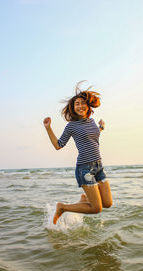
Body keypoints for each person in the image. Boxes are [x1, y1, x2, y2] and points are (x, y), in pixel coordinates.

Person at [43, 82, 113, 225]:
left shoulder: (92, 122)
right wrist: (48, 128)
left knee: (108, 203)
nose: (80, 106)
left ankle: (84, 199)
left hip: (98, 166)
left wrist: (101, 127)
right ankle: (62, 207)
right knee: (96, 208)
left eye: (82, 103)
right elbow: (58, 145)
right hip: (84, 169)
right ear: (73, 108)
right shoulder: (71, 126)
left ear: (87, 106)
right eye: (77, 104)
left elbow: (93, 136)